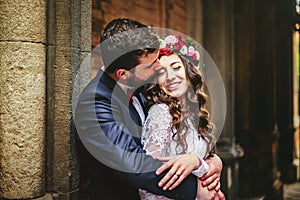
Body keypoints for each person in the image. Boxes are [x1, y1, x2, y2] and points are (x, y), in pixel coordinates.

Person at [75, 18, 224, 200]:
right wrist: (196, 189)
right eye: (150, 64)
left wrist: (211, 161)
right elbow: (133, 164)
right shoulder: (95, 103)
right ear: (123, 74)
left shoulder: (143, 85)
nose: (158, 66)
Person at [139, 34, 225, 200]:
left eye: (176, 67)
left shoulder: (193, 113)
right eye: (162, 72)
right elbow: (148, 183)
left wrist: (215, 161)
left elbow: (199, 155)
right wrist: (199, 166)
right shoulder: (161, 113)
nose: (170, 77)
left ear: (189, 71)